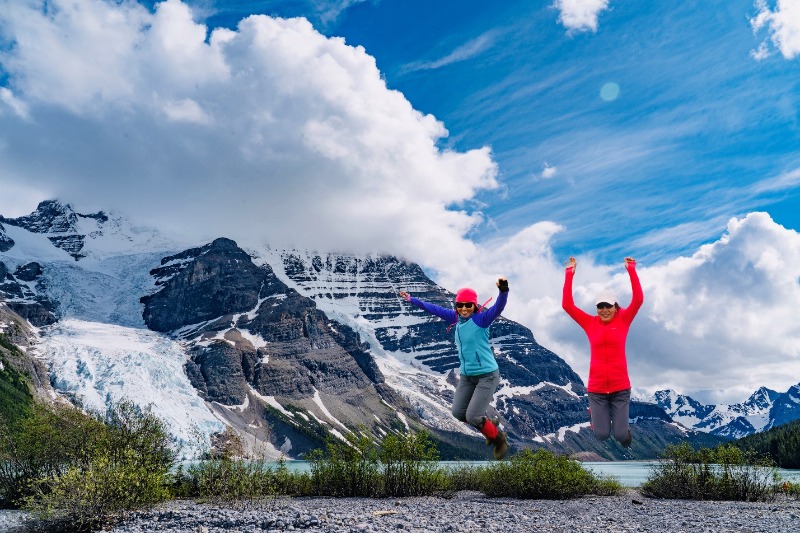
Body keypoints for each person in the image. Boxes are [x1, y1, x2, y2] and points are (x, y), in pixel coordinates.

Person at [399, 278, 509, 460]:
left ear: (474, 305)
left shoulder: (482, 320)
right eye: (460, 305)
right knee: (458, 413)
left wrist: (503, 291)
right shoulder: (456, 319)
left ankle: (499, 439)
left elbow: (499, 307)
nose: (464, 309)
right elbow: (432, 308)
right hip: (467, 376)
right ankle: (488, 426)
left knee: (473, 416)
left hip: (487, 375)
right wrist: (412, 300)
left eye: (468, 305)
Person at [562, 257, 643, 447]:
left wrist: (631, 269)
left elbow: (638, 299)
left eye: (608, 306)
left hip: (620, 390)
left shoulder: (624, 320)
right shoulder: (589, 323)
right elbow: (567, 305)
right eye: (600, 306)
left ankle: (624, 431)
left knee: (622, 436)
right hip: (597, 390)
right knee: (601, 435)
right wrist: (569, 274)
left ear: (616, 307)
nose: (604, 310)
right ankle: (595, 416)